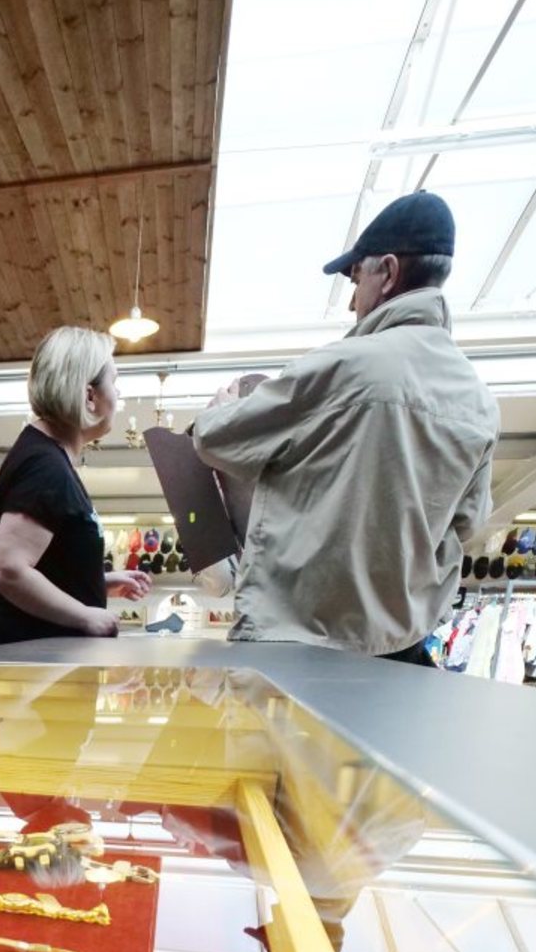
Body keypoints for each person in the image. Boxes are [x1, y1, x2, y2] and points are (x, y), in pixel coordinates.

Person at [193, 192, 500, 664]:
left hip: (299, 643)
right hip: (401, 649)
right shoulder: (479, 402)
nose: (353, 301)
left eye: (356, 279)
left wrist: (223, 407)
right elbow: (469, 523)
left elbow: (215, 438)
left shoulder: (345, 367)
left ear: (389, 273)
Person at [0, 327, 150, 647]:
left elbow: (45, 565)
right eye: (114, 381)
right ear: (89, 396)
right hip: (26, 664)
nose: (118, 393)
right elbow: (9, 570)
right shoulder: (44, 466)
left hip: (36, 660)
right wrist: (86, 615)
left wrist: (98, 582)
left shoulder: (46, 456)